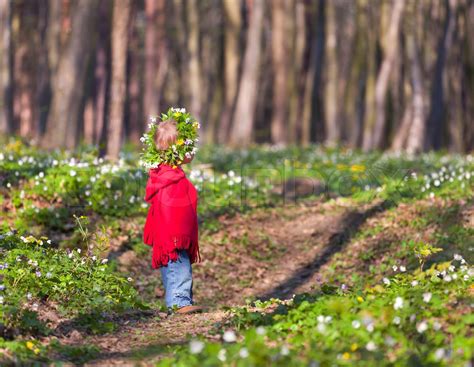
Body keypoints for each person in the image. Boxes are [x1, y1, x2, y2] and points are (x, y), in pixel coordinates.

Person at [143, 119, 203, 314]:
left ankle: (179, 301)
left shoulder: (167, 174)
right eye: (188, 145)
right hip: (172, 234)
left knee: (176, 267)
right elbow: (171, 209)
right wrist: (177, 235)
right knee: (178, 266)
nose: (192, 150)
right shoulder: (169, 177)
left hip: (171, 233)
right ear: (176, 151)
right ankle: (179, 302)